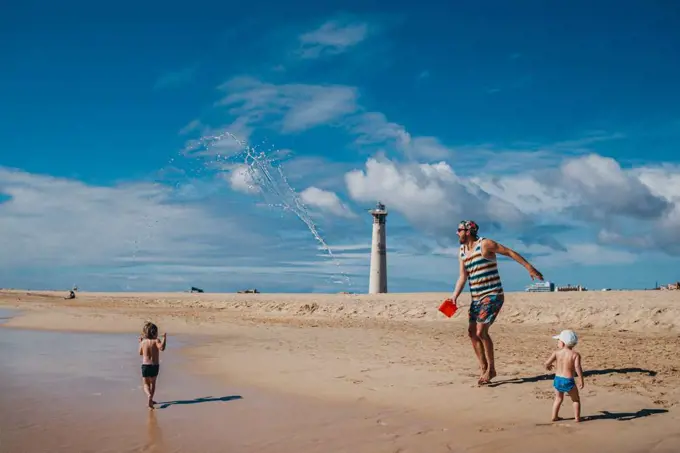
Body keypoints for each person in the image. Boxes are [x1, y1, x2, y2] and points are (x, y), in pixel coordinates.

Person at [451, 220, 543, 385]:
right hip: (476, 298)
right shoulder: (462, 251)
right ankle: (483, 367)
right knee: (472, 333)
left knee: (480, 331)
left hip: (493, 294)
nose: (457, 233)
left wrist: (529, 267)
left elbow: (509, 252)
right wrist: (454, 296)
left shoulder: (485, 244)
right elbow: (463, 276)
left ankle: (491, 369)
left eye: (459, 230)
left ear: (468, 231)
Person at [544, 329, 584, 422]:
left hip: (558, 379)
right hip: (568, 380)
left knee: (558, 399)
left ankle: (554, 416)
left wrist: (548, 366)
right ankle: (577, 418)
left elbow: (546, 363)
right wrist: (581, 380)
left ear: (563, 342)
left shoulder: (557, 353)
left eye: (559, 340)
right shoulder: (575, 354)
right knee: (575, 400)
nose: (557, 342)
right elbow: (578, 367)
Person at [139, 322, 167, 409]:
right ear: (155, 333)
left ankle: (148, 396)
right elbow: (162, 348)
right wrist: (164, 339)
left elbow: (140, 353)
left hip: (145, 366)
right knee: (153, 383)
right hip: (154, 366)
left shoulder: (143, 342)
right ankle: (151, 400)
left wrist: (140, 343)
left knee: (145, 384)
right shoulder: (156, 341)